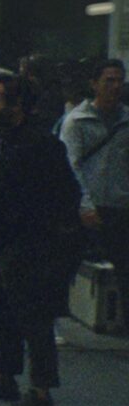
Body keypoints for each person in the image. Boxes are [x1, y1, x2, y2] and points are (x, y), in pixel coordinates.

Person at [0, 75, 83, 406]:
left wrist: (41, 230)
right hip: (4, 239)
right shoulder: (6, 140)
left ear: (17, 105)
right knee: (2, 310)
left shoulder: (40, 144)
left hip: (31, 243)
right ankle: (4, 375)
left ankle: (41, 391)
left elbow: (66, 193)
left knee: (33, 317)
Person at [59, 58, 129, 282]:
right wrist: (85, 205)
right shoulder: (76, 121)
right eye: (109, 81)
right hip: (89, 207)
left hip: (120, 206)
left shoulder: (126, 120)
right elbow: (71, 165)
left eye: (119, 81)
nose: (115, 86)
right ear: (94, 84)